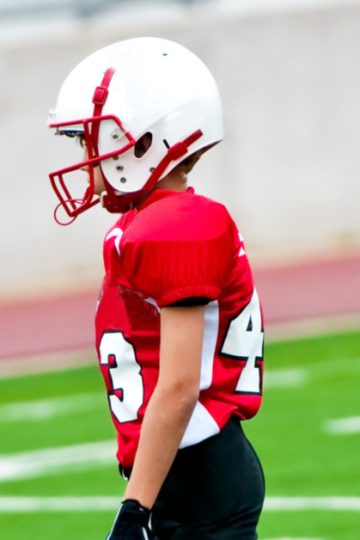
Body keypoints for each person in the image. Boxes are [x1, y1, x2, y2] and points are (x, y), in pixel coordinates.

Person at [48, 37, 265, 540]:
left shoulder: (174, 226)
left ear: (146, 142)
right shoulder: (149, 224)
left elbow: (178, 386)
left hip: (198, 473)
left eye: (92, 139)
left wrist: (134, 509)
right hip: (188, 471)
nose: (86, 155)